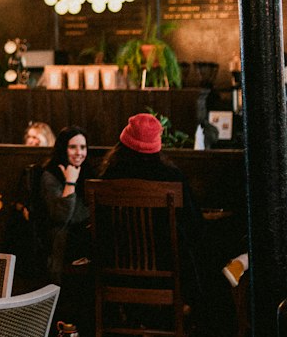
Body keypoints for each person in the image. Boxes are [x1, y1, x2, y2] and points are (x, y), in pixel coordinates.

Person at [99, 112, 205, 300]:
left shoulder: (107, 177)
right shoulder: (172, 177)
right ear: (156, 145)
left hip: (115, 272)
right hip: (167, 273)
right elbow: (194, 224)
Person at [38, 126, 91, 283]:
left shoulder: (87, 171)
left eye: (83, 147)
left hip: (83, 238)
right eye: (72, 147)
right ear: (63, 148)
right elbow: (62, 216)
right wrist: (70, 182)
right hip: (62, 241)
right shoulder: (50, 175)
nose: (79, 153)